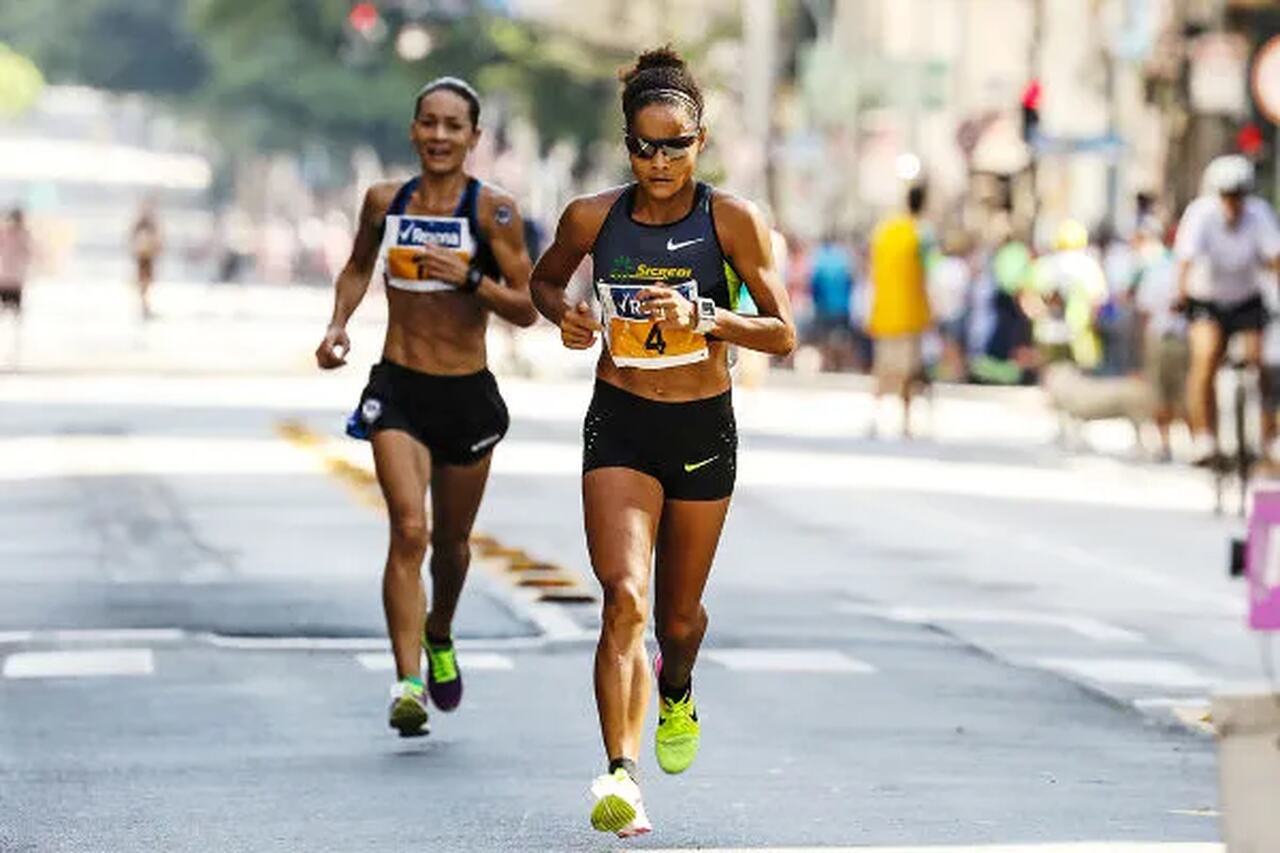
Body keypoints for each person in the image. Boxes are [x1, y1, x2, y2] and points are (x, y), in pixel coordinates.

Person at [528, 47, 795, 837]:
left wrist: (707, 318)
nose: (660, 160)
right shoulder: (592, 217)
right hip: (622, 419)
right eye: (645, 146)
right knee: (624, 599)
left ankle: (676, 686)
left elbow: (783, 331)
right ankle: (621, 773)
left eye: (675, 144)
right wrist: (568, 316)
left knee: (677, 621)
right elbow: (547, 281)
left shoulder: (733, 219)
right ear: (626, 144)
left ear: (699, 141)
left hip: (702, 425)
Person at [314, 77, 537, 737]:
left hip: (466, 393)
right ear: (413, 130)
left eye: (453, 126)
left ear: (473, 138)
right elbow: (358, 266)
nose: (439, 136)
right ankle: (408, 680)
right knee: (410, 529)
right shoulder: (386, 200)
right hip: (400, 385)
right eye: (428, 123)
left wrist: (467, 278)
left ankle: (440, 630)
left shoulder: (493, 211)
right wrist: (337, 324)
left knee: (453, 545)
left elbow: (528, 306)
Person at [1173, 155, 1280, 465]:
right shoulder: (1201, 215)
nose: (1233, 203)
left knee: (1260, 363)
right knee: (1205, 359)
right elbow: (1185, 261)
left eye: (1238, 196)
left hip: (1247, 298)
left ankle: (1268, 435)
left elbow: (1274, 259)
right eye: (1227, 196)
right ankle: (1204, 436)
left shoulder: (1259, 215)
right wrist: (1179, 294)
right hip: (1207, 298)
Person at [867, 184, 933, 437]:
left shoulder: (885, 231)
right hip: (911, 312)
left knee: (883, 368)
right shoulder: (920, 234)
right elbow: (926, 274)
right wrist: (930, 309)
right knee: (908, 371)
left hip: (883, 311)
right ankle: (906, 423)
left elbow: (872, 272)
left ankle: (875, 418)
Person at [1133, 214, 1186, 461]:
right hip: (1163, 336)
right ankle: (1166, 443)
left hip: (1182, 338)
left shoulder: (1197, 267)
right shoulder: (1157, 268)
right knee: (1162, 392)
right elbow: (1144, 309)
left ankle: (1195, 440)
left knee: (1181, 391)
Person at [0, 207, 33, 365]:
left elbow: (30, 254)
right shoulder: (5, 234)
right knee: (10, 317)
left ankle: (13, 352)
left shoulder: (22, 236)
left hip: (14, 281)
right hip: (5, 280)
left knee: (14, 319)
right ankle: (10, 351)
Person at [130, 200, 162, 320]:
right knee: (143, 282)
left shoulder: (151, 224)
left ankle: (146, 306)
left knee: (147, 282)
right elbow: (132, 238)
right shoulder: (140, 224)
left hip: (149, 257)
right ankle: (144, 306)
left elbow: (158, 240)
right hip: (142, 257)